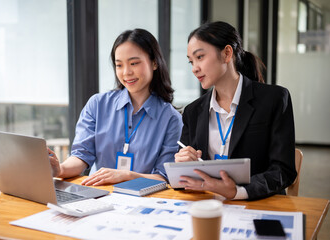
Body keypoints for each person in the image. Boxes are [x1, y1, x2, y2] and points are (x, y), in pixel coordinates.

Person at [175, 21, 297, 200]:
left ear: (226, 53)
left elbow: (282, 170)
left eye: (200, 57)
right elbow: (183, 181)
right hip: (209, 204)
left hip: (260, 203)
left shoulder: (275, 99)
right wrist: (182, 165)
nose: (194, 69)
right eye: (191, 61)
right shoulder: (193, 111)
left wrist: (238, 192)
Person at [49, 28, 182, 186]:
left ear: (154, 63)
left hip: (143, 201)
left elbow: (164, 177)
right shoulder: (97, 105)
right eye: (119, 65)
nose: (126, 72)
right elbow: (81, 156)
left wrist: (126, 176)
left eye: (134, 63)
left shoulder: (171, 119)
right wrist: (59, 170)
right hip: (98, 195)